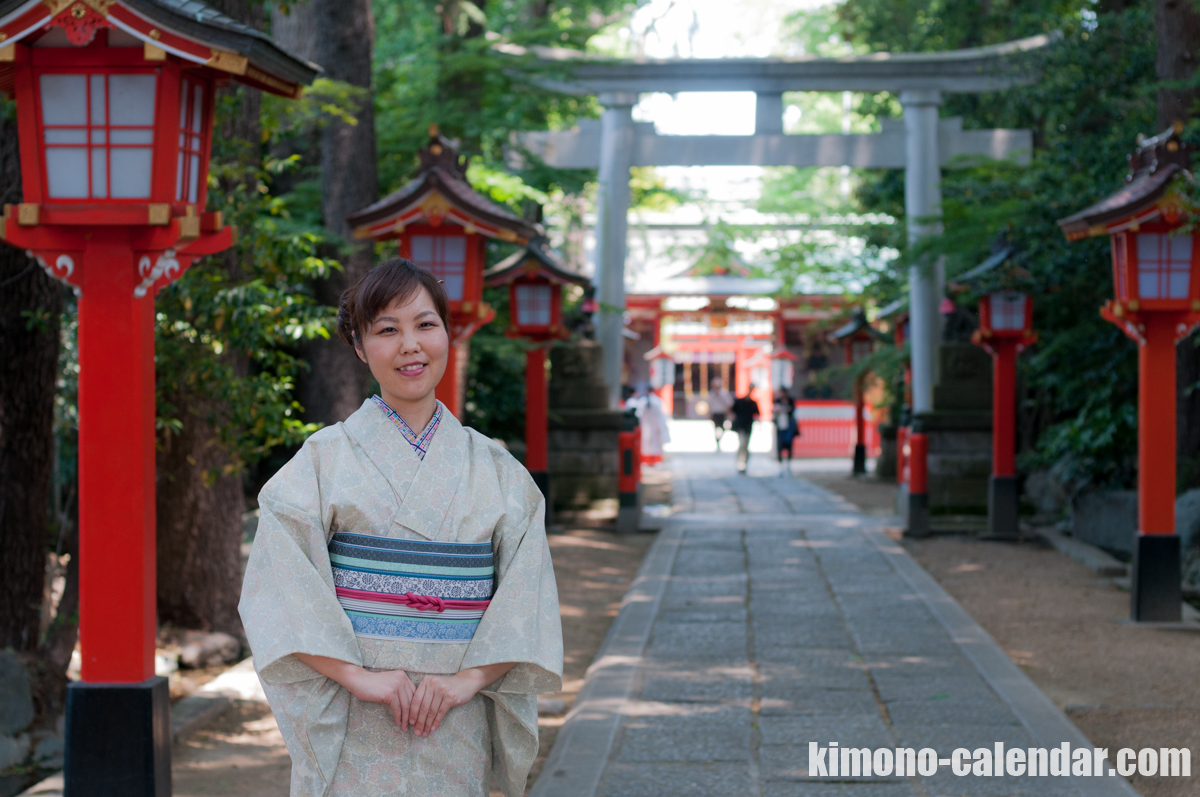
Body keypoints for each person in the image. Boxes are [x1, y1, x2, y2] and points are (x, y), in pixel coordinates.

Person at [239, 259, 563, 797]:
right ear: (362, 347)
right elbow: (281, 590)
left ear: (446, 333)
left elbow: (525, 599)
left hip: (456, 714)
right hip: (354, 712)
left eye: (425, 324)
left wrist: (468, 680)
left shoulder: (499, 470)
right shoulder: (322, 461)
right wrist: (358, 676)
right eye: (387, 330)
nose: (410, 344)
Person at [627, 381, 671, 465]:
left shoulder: (646, 401)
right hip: (648, 426)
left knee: (651, 443)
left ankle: (654, 460)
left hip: (651, 426)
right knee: (647, 443)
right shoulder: (652, 401)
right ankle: (649, 461)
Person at [729, 386, 760, 475]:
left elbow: (757, 414)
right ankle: (739, 463)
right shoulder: (740, 401)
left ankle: (744, 463)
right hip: (741, 426)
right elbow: (732, 410)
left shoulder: (753, 403)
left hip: (748, 426)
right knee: (742, 444)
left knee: (745, 445)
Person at [773, 389, 798, 474]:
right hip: (780, 425)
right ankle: (780, 466)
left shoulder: (790, 400)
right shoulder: (777, 401)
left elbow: (793, 410)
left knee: (789, 445)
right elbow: (774, 411)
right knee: (780, 445)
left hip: (789, 426)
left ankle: (788, 465)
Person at [708, 376, 732, 446]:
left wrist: (728, 412)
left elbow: (729, 403)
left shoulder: (724, 393)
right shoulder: (711, 394)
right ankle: (717, 440)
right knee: (716, 427)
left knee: (722, 427)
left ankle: (719, 439)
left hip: (722, 413)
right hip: (715, 413)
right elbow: (710, 405)